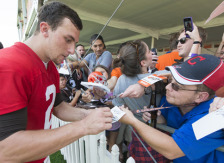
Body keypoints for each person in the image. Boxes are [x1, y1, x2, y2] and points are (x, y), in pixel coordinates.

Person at [0, 2, 112, 163]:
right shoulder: (9, 65)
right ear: (45, 29)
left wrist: (91, 114)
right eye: (68, 40)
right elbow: (6, 149)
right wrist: (83, 126)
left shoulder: (50, 66)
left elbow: (58, 107)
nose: (73, 50)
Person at [119, 54, 224, 162]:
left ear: (201, 96)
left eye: (176, 86)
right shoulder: (173, 99)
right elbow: (166, 75)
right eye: (170, 82)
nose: (167, 87)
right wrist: (142, 84)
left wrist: (132, 121)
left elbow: (172, 149)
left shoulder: (215, 115)